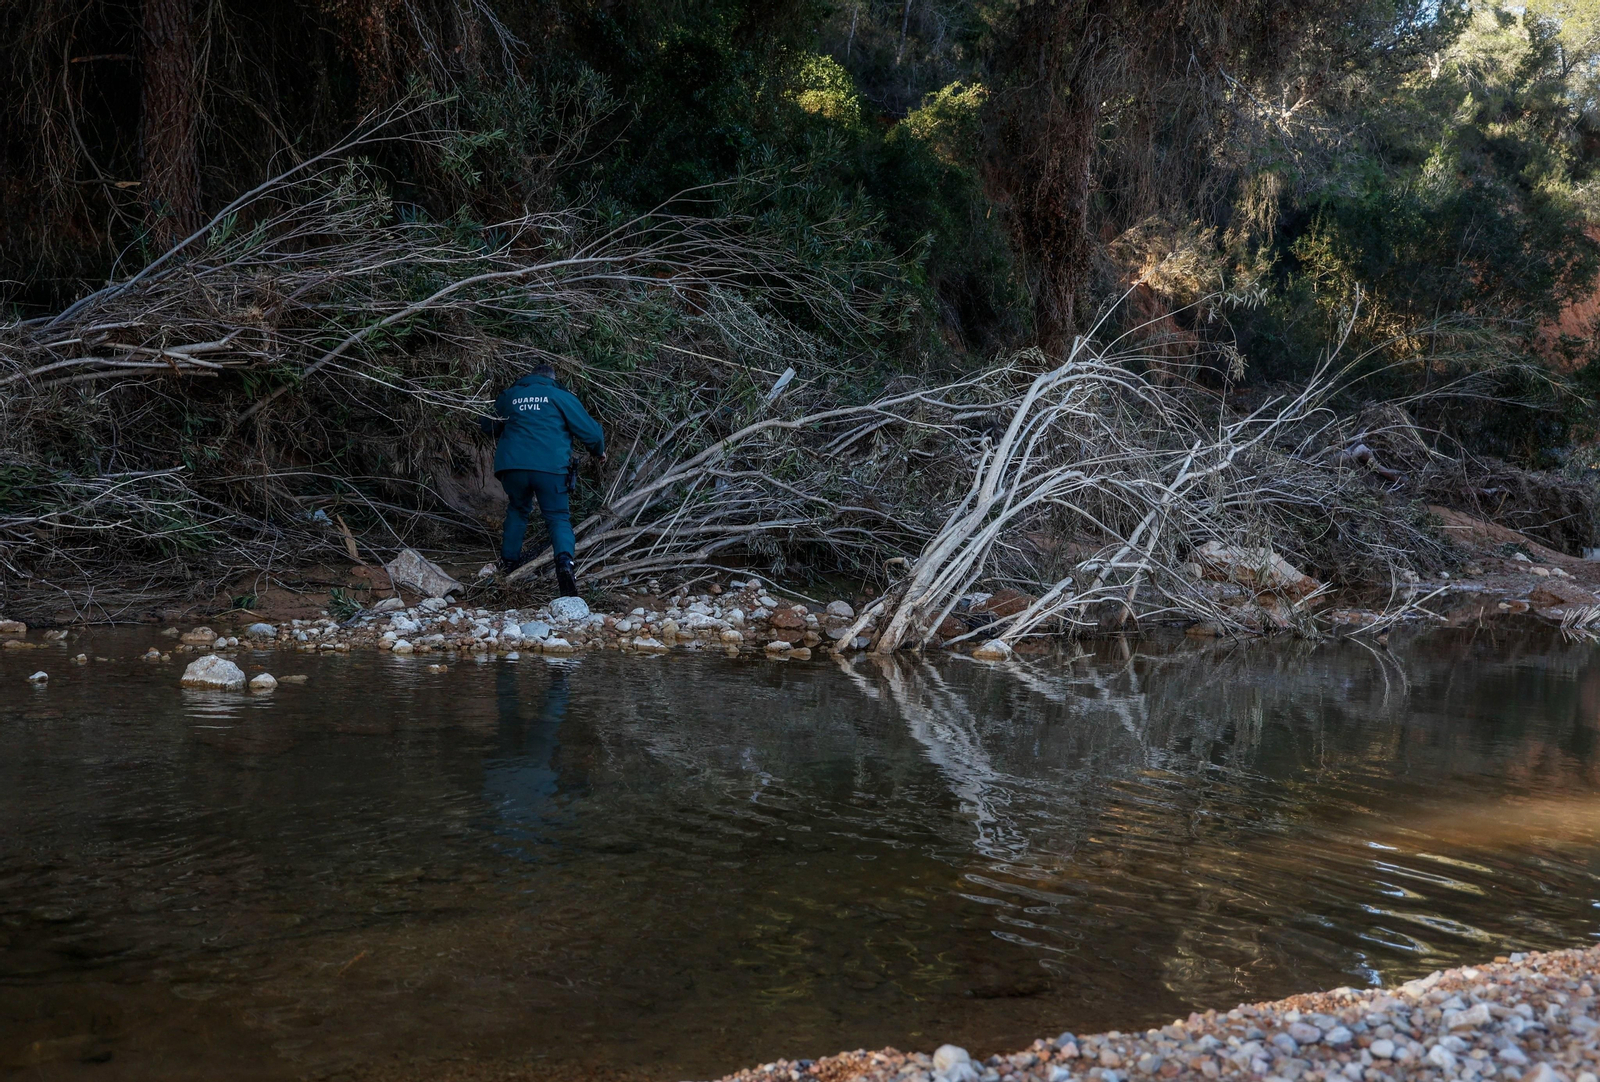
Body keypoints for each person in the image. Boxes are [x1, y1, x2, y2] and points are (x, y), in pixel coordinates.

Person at [479, 363, 605, 596]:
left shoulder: (511, 395)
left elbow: (487, 425)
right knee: (558, 517)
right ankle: (565, 565)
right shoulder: (560, 396)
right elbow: (592, 433)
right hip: (551, 468)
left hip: (513, 467)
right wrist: (599, 451)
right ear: (552, 378)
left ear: (529, 377)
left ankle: (508, 564)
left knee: (517, 510)